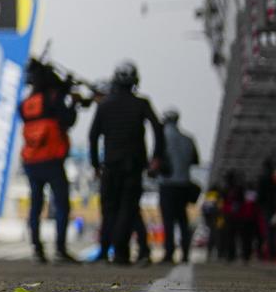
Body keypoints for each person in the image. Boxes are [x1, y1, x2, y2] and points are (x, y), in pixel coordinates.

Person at [88, 60, 164, 266]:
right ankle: (122, 253)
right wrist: (156, 157)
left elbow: (93, 136)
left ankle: (107, 251)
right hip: (133, 165)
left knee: (109, 209)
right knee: (128, 208)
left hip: (110, 165)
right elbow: (158, 129)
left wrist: (95, 165)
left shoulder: (104, 105)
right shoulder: (142, 104)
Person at [18, 64, 78, 263]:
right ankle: (60, 248)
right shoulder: (53, 99)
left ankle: (37, 248)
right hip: (51, 159)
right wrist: (72, 103)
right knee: (61, 204)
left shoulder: (26, 103)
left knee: (36, 204)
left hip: (31, 160)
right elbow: (67, 120)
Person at [155, 109, 201, 264]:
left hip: (167, 184)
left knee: (168, 220)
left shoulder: (162, 138)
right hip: (183, 184)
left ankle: (169, 253)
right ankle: (185, 253)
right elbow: (195, 160)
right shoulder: (188, 139)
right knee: (182, 220)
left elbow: (155, 159)